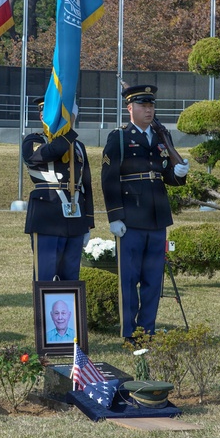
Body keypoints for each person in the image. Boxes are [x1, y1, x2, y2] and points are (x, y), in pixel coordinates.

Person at [102, 84, 188, 342]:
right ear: (130, 109)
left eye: (151, 106)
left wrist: (178, 175)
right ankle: (130, 331)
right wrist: (115, 215)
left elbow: (166, 175)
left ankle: (147, 329)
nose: (148, 110)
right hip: (131, 216)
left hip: (157, 215)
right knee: (129, 279)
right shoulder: (119, 137)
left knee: (153, 280)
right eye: (143, 105)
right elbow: (109, 179)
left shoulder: (162, 136)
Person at [22, 95, 94, 282]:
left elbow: (86, 185)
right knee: (45, 277)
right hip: (47, 216)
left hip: (75, 218)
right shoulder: (33, 140)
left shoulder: (78, 147)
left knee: (71, 278)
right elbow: (46, 154)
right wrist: (68, 132)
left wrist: (88, 222)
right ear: (41, 117)